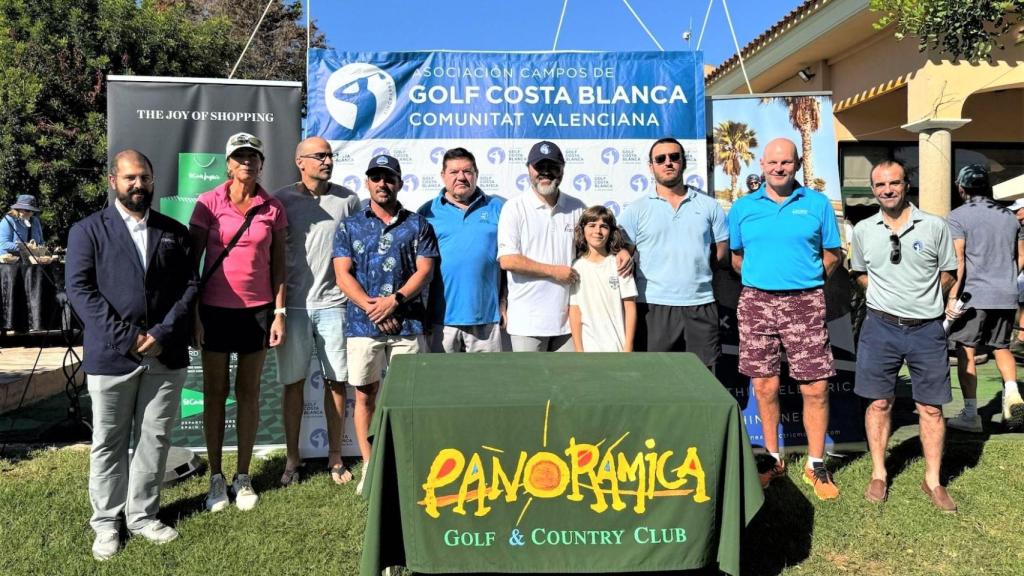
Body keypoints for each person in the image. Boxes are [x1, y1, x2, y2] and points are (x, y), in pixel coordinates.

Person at [66, 150, 197, 560]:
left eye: (144, 177)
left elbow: (190, 286)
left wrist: (160, 333)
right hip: (112, 356)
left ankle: (142, 516)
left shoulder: (173, 230)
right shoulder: (88, 231)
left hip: (165, 353)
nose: (138, 185)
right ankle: (106, 522)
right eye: (129, 178)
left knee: (154, 439)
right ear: (113, 182)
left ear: (153, 180)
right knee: (108, 441)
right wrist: (127, 338)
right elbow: (80, 291)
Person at [728, 138, 842, 500]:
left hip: (805, 303)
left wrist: (803, 281)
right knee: (764, 387)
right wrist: (764, 280)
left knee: (816, 387)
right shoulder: (743, 208)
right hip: (757, 302)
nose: (779, 168)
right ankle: (772, 458)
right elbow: (736, 257)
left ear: (796, 164)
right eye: (773, 162)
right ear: (762, 163)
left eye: (787, 162)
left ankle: (815, 463)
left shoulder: (816, 203)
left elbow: (833, 254)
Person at [851, 159, 958, 511]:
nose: (887, 190)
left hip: (926, 329)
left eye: (893, 183)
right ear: (873, 190)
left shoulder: (934, 226)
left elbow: (948, 273)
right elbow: (860, 274)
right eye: (880, 185)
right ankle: (879, 473)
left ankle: (933, 481)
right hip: (880, 327)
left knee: (930, 407)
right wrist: (887, 298)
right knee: (879, 402)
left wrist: (923, 301)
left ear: (905, 184)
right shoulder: (864, 230)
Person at [189, 132, 288, 512]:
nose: (247, 162)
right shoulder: (208, 203)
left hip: (258, 310)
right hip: (214, 309)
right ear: (228, 164)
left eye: (253, 156)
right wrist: (194, 314)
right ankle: (217, 477)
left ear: (261, 164)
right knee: (215, 394)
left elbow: (278, 265)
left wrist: (278, 312)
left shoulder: (273, 207)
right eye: (239, 156)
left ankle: (242, 476)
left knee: (249, 393)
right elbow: (192, 266)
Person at [333, 153, 437, 494]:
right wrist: (371, 307)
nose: (382, 183)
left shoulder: (418, 224)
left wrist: (395, 301)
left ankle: (410, 465)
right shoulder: (350, 225)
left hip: (408, 325)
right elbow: (342, 272)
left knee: (411, 399)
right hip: (363, 327)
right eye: (376, 177)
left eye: (389, 178)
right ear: (367, 182)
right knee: (365, 396)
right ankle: (370, 465)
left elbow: (425, 270)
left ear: (399, 183)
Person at [273, 137, 361, 487]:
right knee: (292, 384)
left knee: (336, 382)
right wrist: (277, 308)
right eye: (319, 156)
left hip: (335, 305)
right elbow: (274, 257)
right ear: (301, 162)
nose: (327, 161)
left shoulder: (348, 199)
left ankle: (336, 456)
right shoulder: (281, 200)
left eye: (329, 155)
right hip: (293, 307)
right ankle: (292, 459)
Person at [497, 140, 631, 352]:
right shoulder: (514, 208)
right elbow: (508, 260)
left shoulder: (577, 207)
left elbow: (600, 234)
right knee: (530, 385)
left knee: (569, 384)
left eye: (553, 167)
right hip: (527, 323)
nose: (546, 172)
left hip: (569, 321)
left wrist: (621, 249)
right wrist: (553, 271)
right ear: (529, 169)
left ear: (563, 170)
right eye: (539, 167)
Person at [619, 137, 728, 370]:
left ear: (683, 162)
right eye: (660, 159)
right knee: (655, 381)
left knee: (703, 383)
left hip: (701, 305)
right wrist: (623, 253)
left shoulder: (710, 206)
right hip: (653, 307)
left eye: (674, 157)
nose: (668, 163)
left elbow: (721, 253)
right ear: (651, 166)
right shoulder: (636, 210)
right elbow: (622, 253)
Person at [945, 164, 1024, 432]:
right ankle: (1012, 392)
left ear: (961, 188)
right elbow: (1021, 256)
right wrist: (1006, 277)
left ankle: (970, 415)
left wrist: (952, 297)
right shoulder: (1010, 217)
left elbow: (959, 259)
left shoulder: (957, 217)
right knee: (1000, 347)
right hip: (1006, 293)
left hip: (973, 295)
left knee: (966, 350)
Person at [417, 147, 505, 353]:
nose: (461, 177)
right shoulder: (427, 212)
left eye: (467, 171)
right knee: (442, 383)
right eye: (454, 172)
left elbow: (508, 262)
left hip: (486, 318)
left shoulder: (497, 208)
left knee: (488, 384)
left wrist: (504, 301)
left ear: (476, 174)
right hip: (441, 319)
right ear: (443, 176)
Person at [568, 206, 637, 352]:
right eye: (592, 225)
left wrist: (628, 347)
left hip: (618, 348)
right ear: (583, 229)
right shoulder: (576, 267)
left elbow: (630, 307)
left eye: (603, 226)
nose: (597, 231)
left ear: (611, 231)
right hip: (588, 349)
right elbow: (575, 311)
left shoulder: (620, 263)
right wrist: (579, 350)